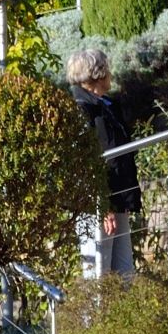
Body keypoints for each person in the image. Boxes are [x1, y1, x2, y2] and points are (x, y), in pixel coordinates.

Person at [68, 47, 139, 276]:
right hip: (96, 203)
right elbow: (84, 161)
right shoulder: (81, 109)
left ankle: (123, 314)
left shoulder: (106, 106)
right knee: (98, 274)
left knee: (124, 273)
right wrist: (102, 205)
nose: (111, 74)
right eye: (107, 69)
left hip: (117, 197)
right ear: (98, 74)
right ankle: (97, 315)